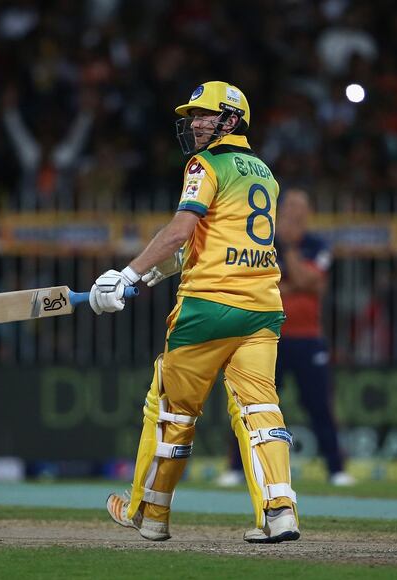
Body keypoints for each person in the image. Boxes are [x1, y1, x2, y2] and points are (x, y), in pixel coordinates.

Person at [90, 81, 299, 543]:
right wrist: (156, 272)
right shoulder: (264, 171)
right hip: (262, 308)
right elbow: (220, 239)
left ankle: (148, 513)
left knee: (171, 411)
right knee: (260, 409)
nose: (195, 123)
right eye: (194, 115)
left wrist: (125, 274)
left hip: (207, 308)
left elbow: (180, 230)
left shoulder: (205, 163)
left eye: (205, 115)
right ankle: (280, 511)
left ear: (231, 119)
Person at [217, 188, 355, 487]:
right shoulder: (261, 242)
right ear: (279, 210)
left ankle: (336, 469)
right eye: (290, 205)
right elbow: (254, 286)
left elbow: (310, 282)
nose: (294, 212)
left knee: (319, 405)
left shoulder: (317, 245)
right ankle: (236, 468)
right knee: (252, 403)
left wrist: (290, 251)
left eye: (300, 206)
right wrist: (296, 283)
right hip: (267, 336)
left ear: (308, 213)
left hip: (307, 337)